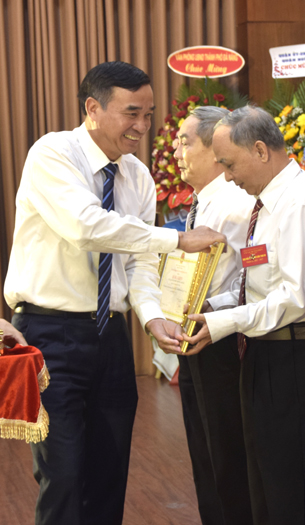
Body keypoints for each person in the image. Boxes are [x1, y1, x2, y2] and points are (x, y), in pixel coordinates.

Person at [4, 61, 224, 525]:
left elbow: (138, 263)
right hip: (49, 333)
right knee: (61, 475)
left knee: (110, 474)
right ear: (93, 108)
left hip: (111, 338)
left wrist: (150, 317)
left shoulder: (138, 176)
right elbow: (87, 227)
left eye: (148, 114)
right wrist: (177, 238)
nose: (142, 127)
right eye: (131, 114)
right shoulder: (53, 154)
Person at [182, 106, 305, 525]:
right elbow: (256, 283)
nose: (228, 176)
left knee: (283, 484)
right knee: (261, 485)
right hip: (261, 351)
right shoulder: (267, 202)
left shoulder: (300, 202)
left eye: (229, 164)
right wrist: (212, 309)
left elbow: (297, 298)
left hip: (289, 356)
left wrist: (223, 323)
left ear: (259, 149)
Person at [171, 106, 254, 525]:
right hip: (195, 335)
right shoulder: (205, 203)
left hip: (222, 342)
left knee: (225, 458)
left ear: (217, 146)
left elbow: (243, 283)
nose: (177, 150)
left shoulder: (235, 204)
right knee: (203, 454)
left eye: (186, 141)